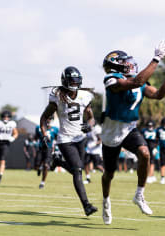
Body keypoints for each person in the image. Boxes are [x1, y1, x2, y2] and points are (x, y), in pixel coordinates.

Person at [100, 40, 165, 225]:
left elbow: (158, 95)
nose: (129, 64)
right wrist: (156, 58)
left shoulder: (139, 82)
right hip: (111, 130)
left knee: (145, 153)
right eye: (124, 62)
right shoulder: (111, 79)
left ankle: (139, 195)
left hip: (129, 128)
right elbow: (137, 81)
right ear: (116, 65)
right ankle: (106, 201)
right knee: (109, 174)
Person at [39, 66, 98, 216]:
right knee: (78, 170)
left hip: (80, 138)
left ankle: (58, 162)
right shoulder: (57, 97)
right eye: (71, 81)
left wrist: (88, 125)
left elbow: (91, 118)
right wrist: (45, 133)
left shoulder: (85, 96)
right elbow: (44, 117)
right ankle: (86, 205)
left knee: (76, 169)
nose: (74, 84)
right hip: (65, 139)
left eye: (76, 81)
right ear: (65, 81)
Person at [0, 110, 18, 183]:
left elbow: (16, 133)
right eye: (4, 116)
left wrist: (12, 138)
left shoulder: (12, 124)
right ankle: (1, 168)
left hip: (6, 143)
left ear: (9, 117)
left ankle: (0, 176)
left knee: (3, 161)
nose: (6, 118)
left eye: (7, 116)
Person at [35, 116, 58, 189]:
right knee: (36, 166)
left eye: (50, 119)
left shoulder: (55, 129)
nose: (48, 120)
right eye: (47, 118)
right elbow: (36, 137)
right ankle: (39, 168)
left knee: (46, 165)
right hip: (40, 148)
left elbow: (57, 139)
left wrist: (56, 149)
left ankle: (42, 183)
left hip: (49, 149)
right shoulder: (38, 127)